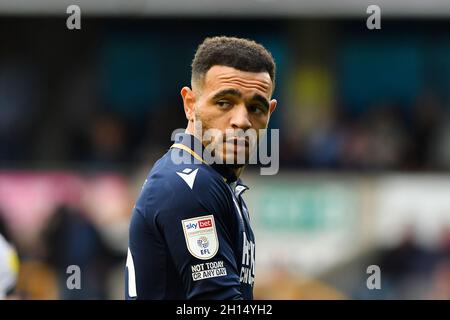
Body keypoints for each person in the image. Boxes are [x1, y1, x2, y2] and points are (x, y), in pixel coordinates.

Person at [125, 36, 277, 300]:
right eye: (224, 103)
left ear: (270, 113)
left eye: (256, 107)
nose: (242, 121)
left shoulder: (216, 182)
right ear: (190, 104)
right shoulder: (188, 185)